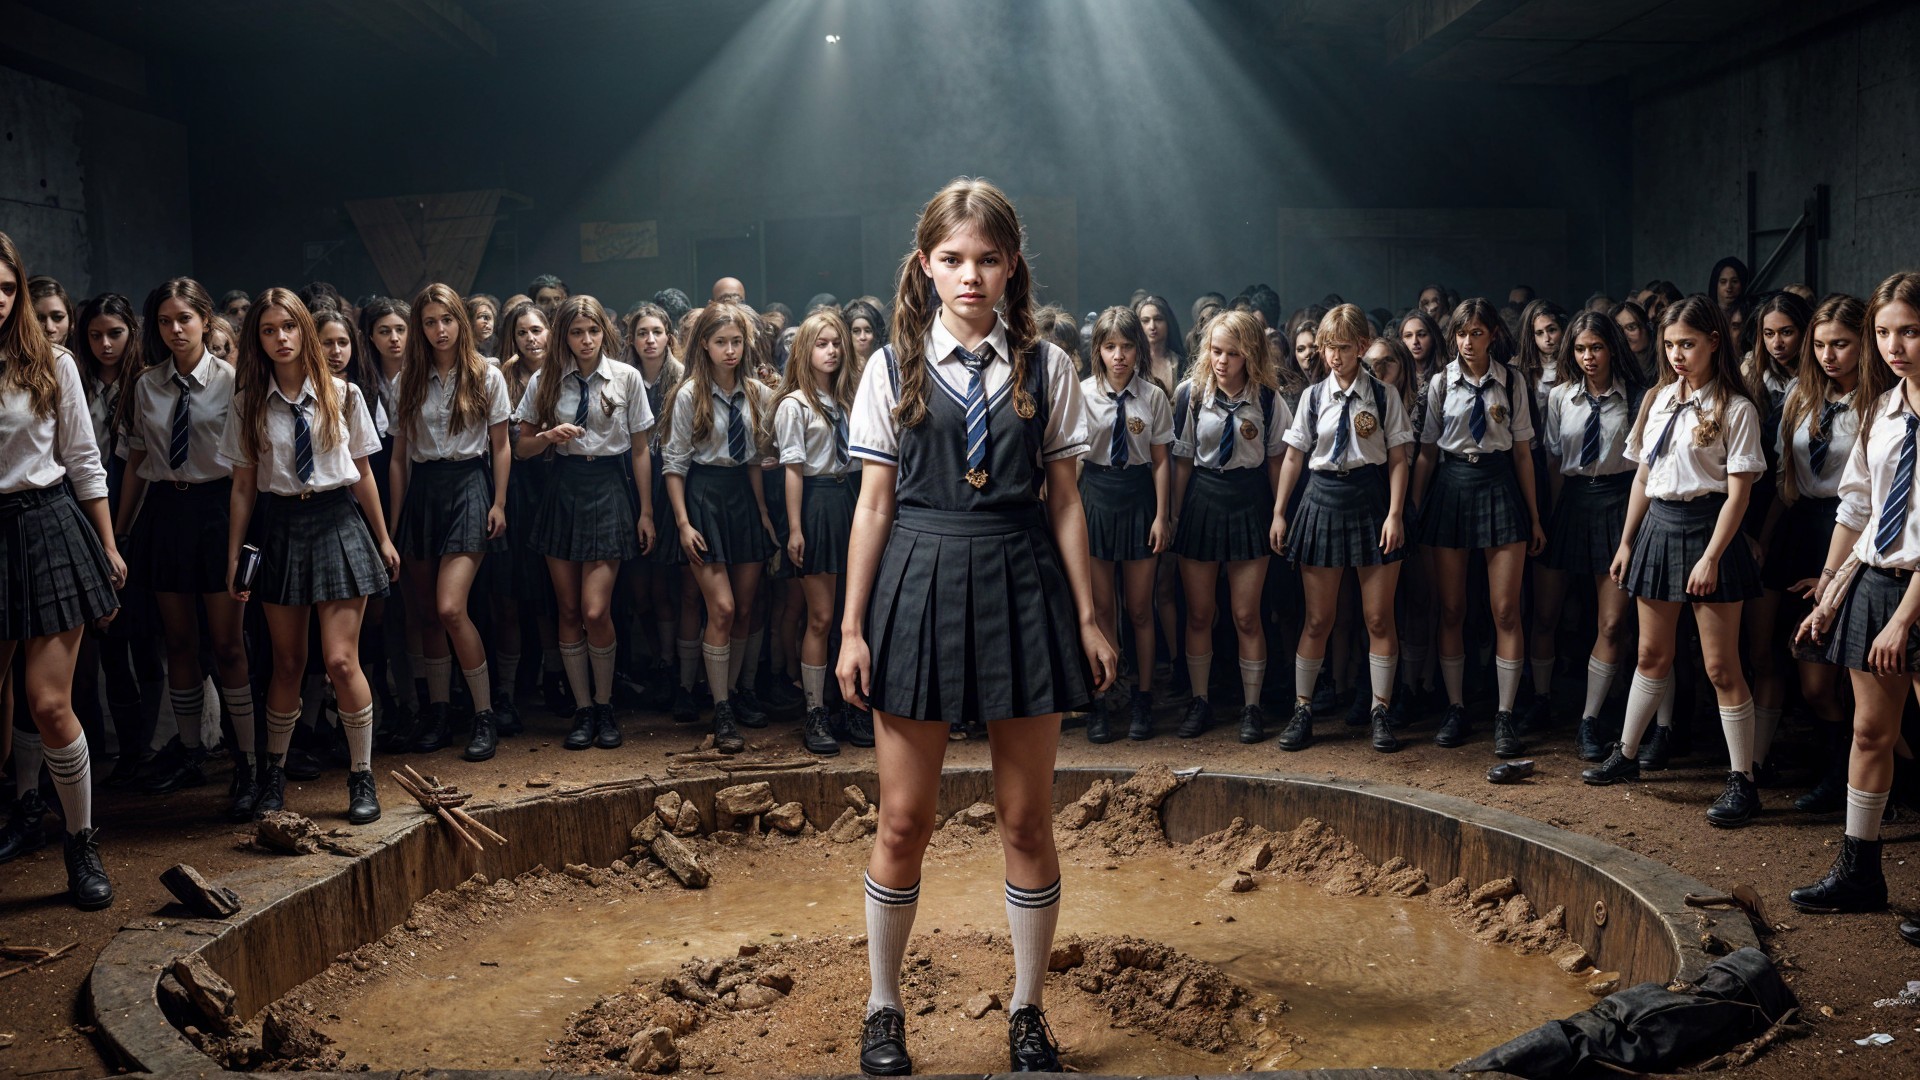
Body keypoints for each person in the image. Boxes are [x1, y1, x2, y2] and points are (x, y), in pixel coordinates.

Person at [838, 178, 1114, 1076]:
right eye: (953, 258)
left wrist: (1087, 613)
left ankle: (1027, 1013)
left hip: (1020, 578)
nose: (970, 275)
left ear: (1012, 266)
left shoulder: (1050, 367)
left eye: (988, 259)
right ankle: (884, 1009)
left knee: (1027, 820)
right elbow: (873, 508)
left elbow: (1066, 503)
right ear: (926, 264)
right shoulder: (889, 367)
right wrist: (851, 627)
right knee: (904, 819)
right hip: (916, 578)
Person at [1587, 296, 1768, 828]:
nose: (1677, 354)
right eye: (1670, 345)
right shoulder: (1659, 399)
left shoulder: (1736, 408)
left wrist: (1713, 556)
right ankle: (1626, 753)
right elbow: (1644, 476)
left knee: (1719, 665)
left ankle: (1743, 780)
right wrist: (1626, 541)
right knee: (1649, 655)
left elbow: (1739, 494)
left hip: (1711, 527)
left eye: (1687, 343)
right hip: (1659, 528)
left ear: (1715, 341)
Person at [221, 288, 398, 826]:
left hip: (338, 522)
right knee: (288, 663)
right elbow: (244, 488)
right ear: (259, 338)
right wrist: (234, 557)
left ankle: (361, 774)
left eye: (288, 328)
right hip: (281, 526)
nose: (280, 339)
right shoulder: (248, 402)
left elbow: (365, 471)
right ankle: (272, 775)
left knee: (343, 661)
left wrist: (384, 538)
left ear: (305, 331)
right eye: (268, 330)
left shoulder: (344, 395)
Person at [1792, 271, 1920, 947]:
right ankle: (1858, 871)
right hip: (1876, 579)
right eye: (1884, 332)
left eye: (1910, 330)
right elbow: (1862, 511)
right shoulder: (1880, 411)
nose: (1894, 345)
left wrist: (1905, 620)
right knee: (1871, 734)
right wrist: (1831, 591)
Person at [0, 231, 126, 909]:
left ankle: (80, 843)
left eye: (5, 288)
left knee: (50, 704)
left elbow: (83, 459)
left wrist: (106, 545)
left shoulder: (52, 362)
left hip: (48, 525)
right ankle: (17, 811)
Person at [115, 279, 259, 818]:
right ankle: (192, 750)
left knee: (227, 645)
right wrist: (121, 534)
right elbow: (135, 462)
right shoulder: (145, 385)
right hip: (166, 513)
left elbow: (248, 466)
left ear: (205, 319)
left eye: (185, 319)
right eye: (165, 322)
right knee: (178, 642)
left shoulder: (233, 381)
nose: (175, 330)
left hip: (219, 510)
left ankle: (248, 761)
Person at [514, 296, 657, 752]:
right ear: (565, 337)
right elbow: (521, 449)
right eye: (576, 332)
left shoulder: (627, 377)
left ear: (605, 332)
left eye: (592, 331)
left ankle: (605, 702)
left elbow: (639, 449)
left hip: (609, 485)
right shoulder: (545, 378)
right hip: (564, 484)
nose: (586, 340)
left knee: (596, 611)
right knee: (569, 611)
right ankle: (582, 709)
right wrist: (547, 437)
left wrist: (646, 511)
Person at [1270, 304, 1411, 753]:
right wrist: (1279, 511)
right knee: (1318, 618)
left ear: (1362, 347)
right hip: (1322, 499)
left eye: (1343, 347)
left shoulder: (1384, 396)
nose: (1333, 355)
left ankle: (1380, 712)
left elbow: (1398, 459)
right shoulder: (1312, 398)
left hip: (1370, 499)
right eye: (1328, 346)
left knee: (1376, 617)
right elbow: (1293, 457)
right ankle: (1303, 709)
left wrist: (1394, 514)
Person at [1410, 298, 1545, 757]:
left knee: (1505, 610)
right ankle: (1456, 705)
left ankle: (1505, 715)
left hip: (1498, 483)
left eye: (1478, 333)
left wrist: (1534, 515)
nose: (1469, 342)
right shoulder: (1438, 383)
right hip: (1451, 484)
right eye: (1462, 334)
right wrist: (1413, 507)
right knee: (1451, 608)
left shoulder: (1512, 380)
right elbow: (1427, 451)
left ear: (1493, 336)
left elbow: (1523, 452)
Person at [387, 285, 511, 761]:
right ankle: (439, 711)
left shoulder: (486, 374)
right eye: (430, 322)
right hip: (424, 491)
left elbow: (501, 445)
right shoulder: (407, 380)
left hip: (468, 486)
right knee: (424, 614)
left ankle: (484, 714)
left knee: (449, 608)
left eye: (447, 320)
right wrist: (394, 523)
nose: (439, 330)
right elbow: (398, 458)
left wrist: (499, 503)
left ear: (461, 321)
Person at [1171, 309, 1292, 743]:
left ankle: (1252, 707)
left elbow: (1278, 460)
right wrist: (1174, 515)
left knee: (1246, 615)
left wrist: (1279, 513)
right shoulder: (1190, 393)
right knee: (1201, 613)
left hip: (1249, 500)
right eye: (1215, 351)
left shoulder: (1267, 399)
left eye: (1232, 353)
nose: (1221, 361)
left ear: (1250, 355)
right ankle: (1200, 701)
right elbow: (1182, 461)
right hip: (1203, 497)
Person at [1529, 312, 1645, 759]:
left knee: (1613, 622)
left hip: (1618, 501)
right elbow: (1556, 462)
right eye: (1580, 350)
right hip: (1571, 502)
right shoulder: (1560, 397)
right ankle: (1540, 700)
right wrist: (1552, 517)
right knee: (1546, 613)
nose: (1588, 357)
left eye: (1596, 348)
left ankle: (1589, 720)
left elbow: (1642, 472)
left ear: (1612, 348)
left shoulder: (1635, 397)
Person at [662, 302, 777, 751]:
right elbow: (674, 465)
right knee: (723, 609)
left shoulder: (757, 392)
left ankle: (733, 694)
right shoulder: (691, 393)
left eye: (736, 342)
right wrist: (683, 522)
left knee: (747, 610)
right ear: (704, 346)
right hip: (704, 496)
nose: (730, 350)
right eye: (720, 342)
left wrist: (764, 511)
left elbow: (753, 457)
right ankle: (721, 707)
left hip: (743, 497)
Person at [1078, 306, 1173, 743]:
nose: (1119, 355)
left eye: (1127, 346)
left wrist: (1160, 515)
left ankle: (1143, 697)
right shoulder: (1082, 394)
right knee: (1101, 611)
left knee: (1139, 608)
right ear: (1098, 350)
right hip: (1095, 496)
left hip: (1137, 498)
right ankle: (1104, 697)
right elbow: (1074, 463)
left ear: (1139, 349)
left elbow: (1159, 462)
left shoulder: (1152, 396)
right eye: (1110, 346)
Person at [773, 309, 859, 755]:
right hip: (818, 502)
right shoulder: (795, 405)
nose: (830, 351)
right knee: (821, 618)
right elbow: (793, 470)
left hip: (855, 499)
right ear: (804, 351)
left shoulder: (852, 397)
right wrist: (795, 528)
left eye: (836, 343)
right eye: (821, 344)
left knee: (853, 616)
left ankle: (849, 703)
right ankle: (815, 710)